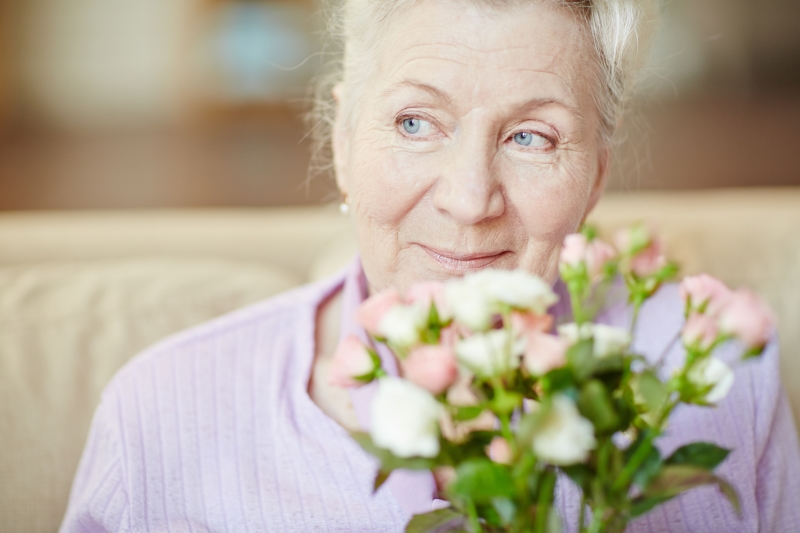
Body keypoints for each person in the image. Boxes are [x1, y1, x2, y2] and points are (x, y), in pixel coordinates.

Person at [60, 0, 800, 531]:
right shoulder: (160, 415)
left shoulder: (714, 379)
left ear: (596, 177)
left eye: (534, 137)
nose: (470, 199)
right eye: (416, 123)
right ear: (345, 140)